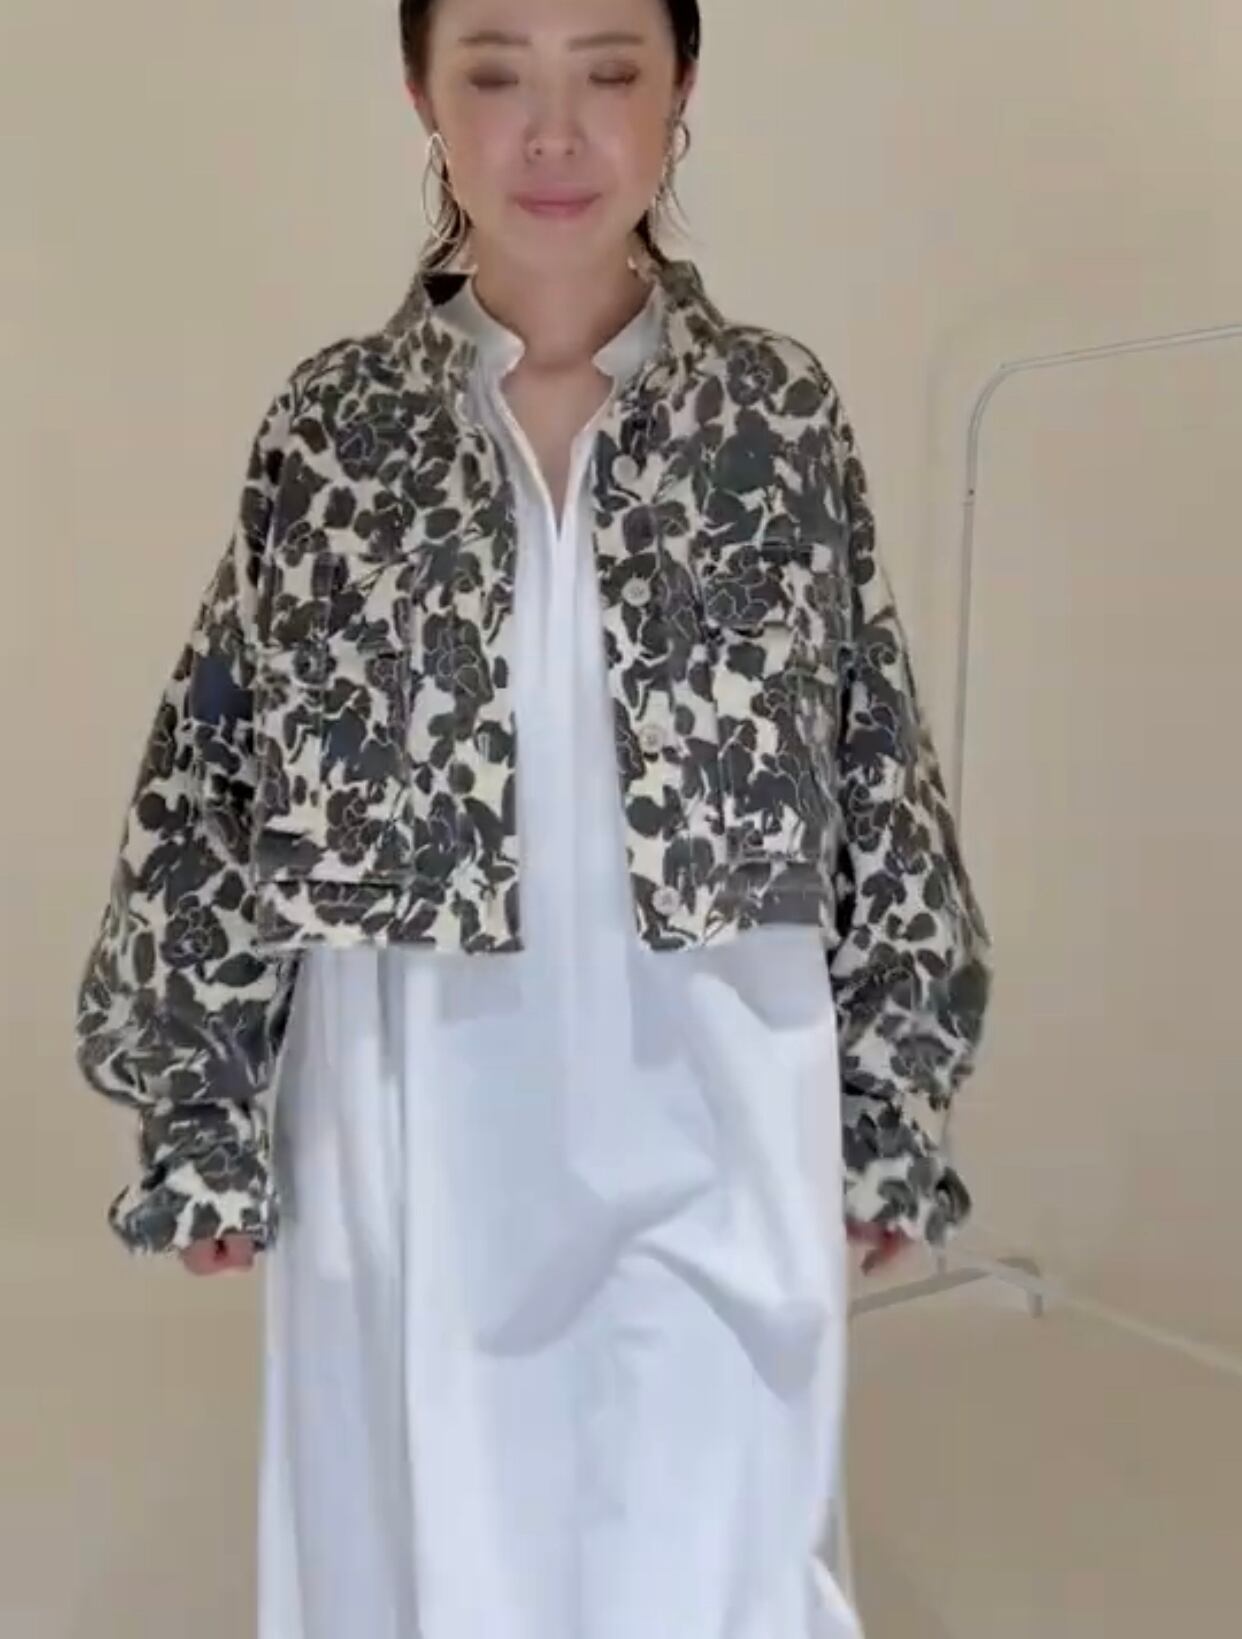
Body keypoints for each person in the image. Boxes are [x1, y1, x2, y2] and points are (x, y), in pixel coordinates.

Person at [74, 1, 991, 1634]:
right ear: (421, 93)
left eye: (610, 71)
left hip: (720, 1065)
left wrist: (883, 1111)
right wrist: (201, 1116)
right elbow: (215, 763)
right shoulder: (336, 428)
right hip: (416, 1084)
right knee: (424, 1532)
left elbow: (873, 762)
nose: (552, 132)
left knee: (714, 1537)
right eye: (495, 72)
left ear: (681, 86)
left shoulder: (773, 418)